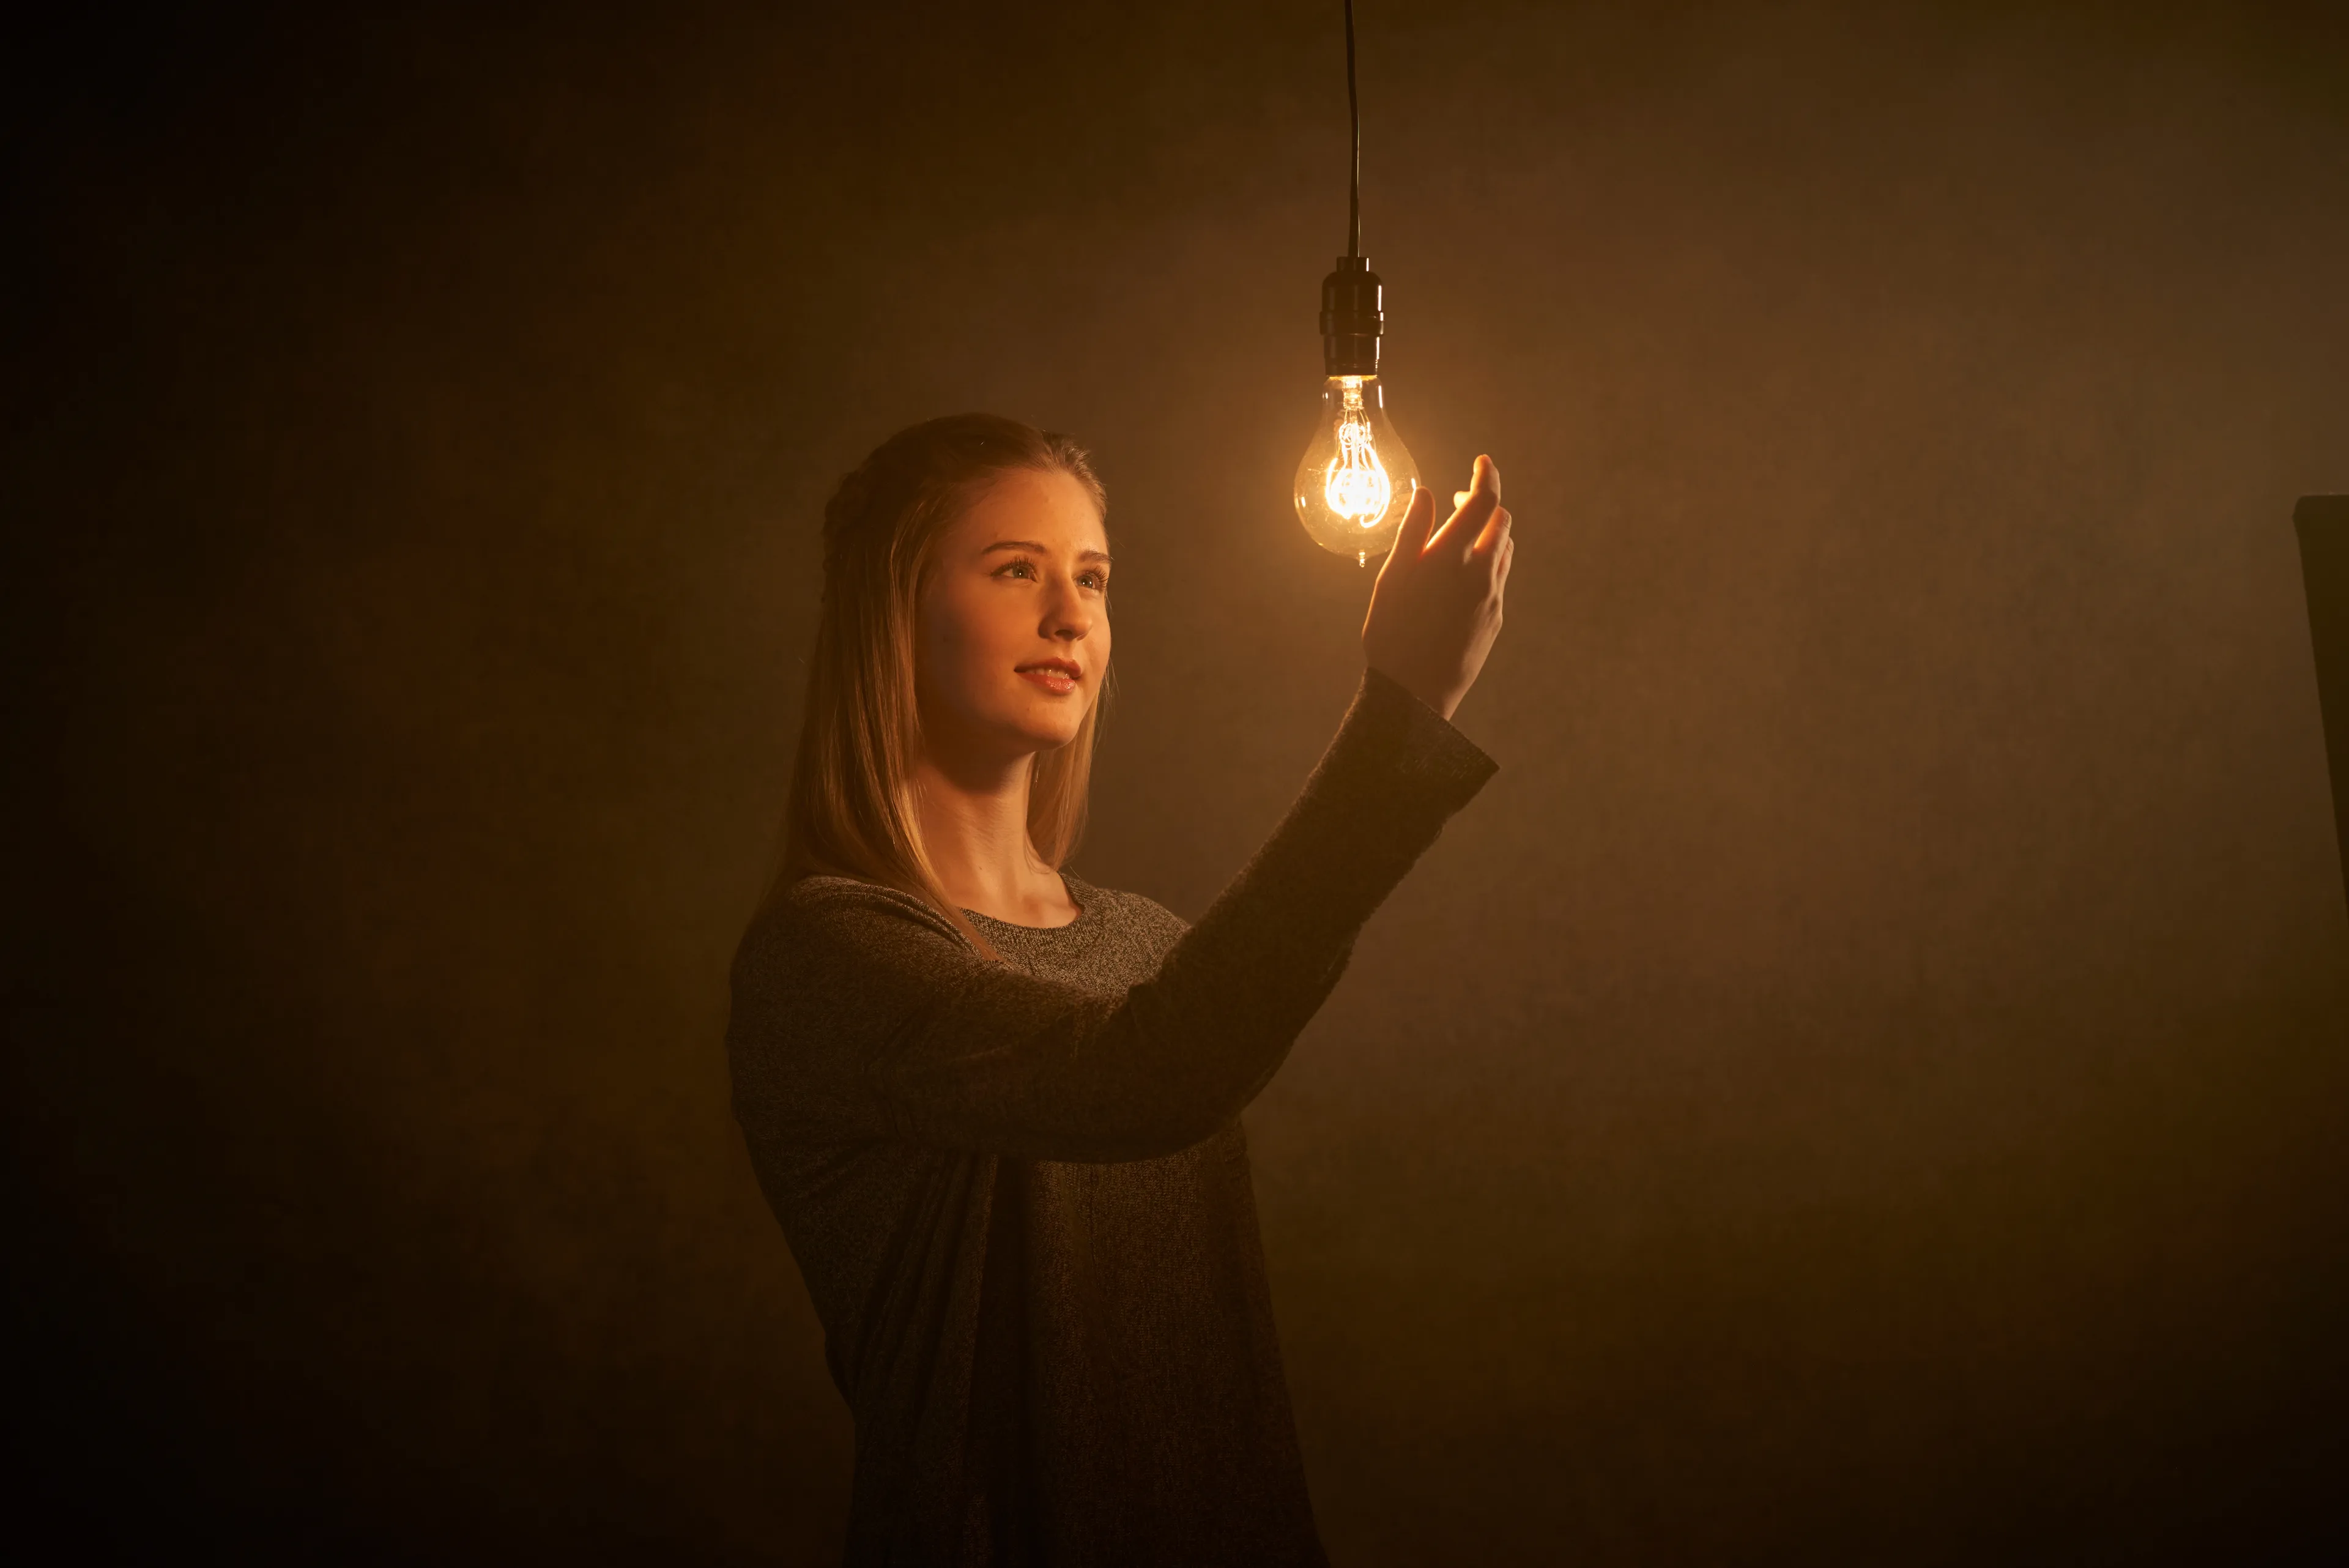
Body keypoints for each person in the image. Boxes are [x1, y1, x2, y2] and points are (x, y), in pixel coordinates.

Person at [728, 412, 1513, 1565]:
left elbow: (1215, 1369)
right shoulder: (830, 955)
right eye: (1016, 570)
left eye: (1092, 578)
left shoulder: (1150, 948)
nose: (1071, 615)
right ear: (893, 608)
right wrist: (1400, 717)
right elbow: (1145, 1073)